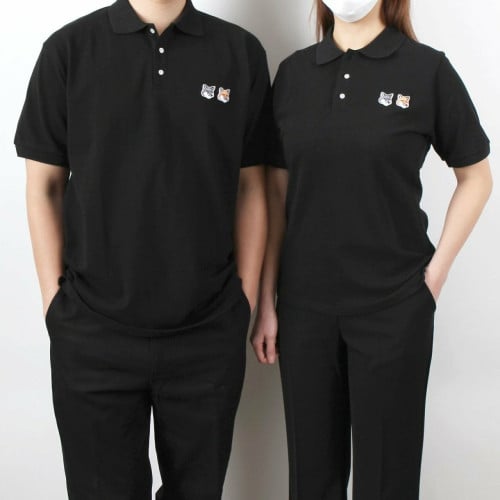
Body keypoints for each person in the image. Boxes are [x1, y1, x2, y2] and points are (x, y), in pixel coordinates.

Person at [14, 0, 271, 498]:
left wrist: (242, 300)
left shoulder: (239, 53)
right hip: (92, 335)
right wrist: (54, 306)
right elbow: (43, 185)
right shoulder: (69, 50)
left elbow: (252, 186)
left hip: (207, 335)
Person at [251, 0, 492, 499]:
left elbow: (476, 177)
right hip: (305, 311)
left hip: (393, 308)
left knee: (387, 482)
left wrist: (434, 277)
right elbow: (276, 194)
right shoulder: (293, 74)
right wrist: (268, 302)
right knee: (311, 481)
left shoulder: (426, 70)